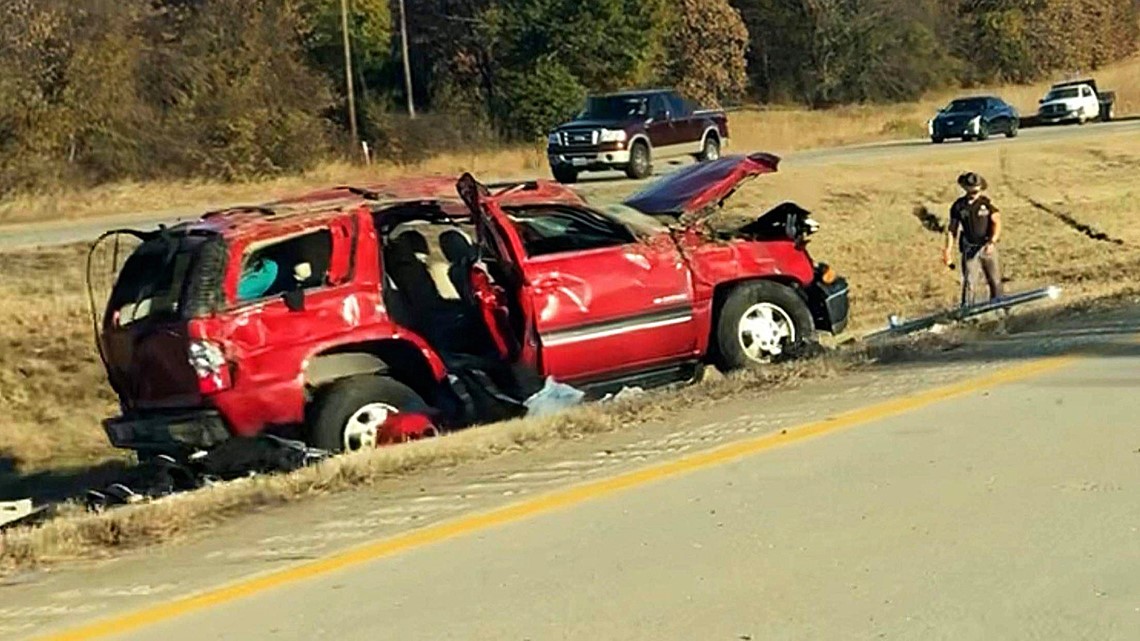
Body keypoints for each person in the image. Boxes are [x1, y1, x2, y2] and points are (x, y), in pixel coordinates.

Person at [943, 171, 1004, 307]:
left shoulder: (987, 204)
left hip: (987, 247)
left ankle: (999, 306)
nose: (974, 194)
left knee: (995, 280)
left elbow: (997, 222)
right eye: (971, 191)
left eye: (977, 191)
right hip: (969, 248)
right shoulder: (958, 206)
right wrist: (948, 250)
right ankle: (968, 309)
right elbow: (952, 229)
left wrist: (992, 241)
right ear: (965, 188)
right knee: (970, 281)